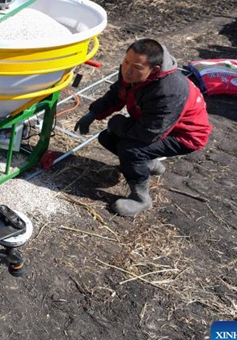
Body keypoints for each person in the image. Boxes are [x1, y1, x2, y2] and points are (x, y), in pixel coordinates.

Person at [74, 38, 212, 217]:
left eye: (137, 67)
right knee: (107, 137)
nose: (127, 70)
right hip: (157, 126)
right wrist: (94, 113)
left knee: (130, 149)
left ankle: (141, 198)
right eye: (125, 62)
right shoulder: (132, 73)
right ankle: (149, 164)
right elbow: (118, 94)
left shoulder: (168, 91)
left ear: (154, 70)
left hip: (185, 135)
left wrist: (117, 122)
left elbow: (148, 134)